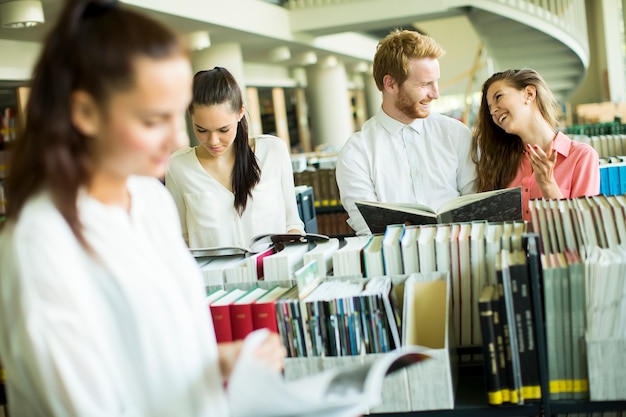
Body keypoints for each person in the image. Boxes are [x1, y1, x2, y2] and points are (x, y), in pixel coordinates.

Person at [0, 1, 284, 416]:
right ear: (85, 112)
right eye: (153, 120)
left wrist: (220, 362)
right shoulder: (40, 243)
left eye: (176, 117)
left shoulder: (149, 200)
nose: (174, 140)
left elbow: (158, 358)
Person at [335, 29, 477, 236]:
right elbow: (367, 227)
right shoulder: (356, 151)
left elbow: (475, 205)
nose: (436, 93)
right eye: (424, 84)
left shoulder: (456, 134)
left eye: (436, 81)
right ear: (390, 84)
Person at [165, 67, 304, 248]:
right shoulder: (178, 166)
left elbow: (292, 224)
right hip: (211, 276)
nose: (213, 141)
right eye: (201, 130)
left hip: (272, 272)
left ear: (240, 112)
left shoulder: (273, 152)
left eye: (223, 130)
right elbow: (180, 240)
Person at [471, 68, 600, 221]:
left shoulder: (581, 156)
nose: (493, 111)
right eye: (490, 108)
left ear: (529, 94)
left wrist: (548, 185)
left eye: (498, 97)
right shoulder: (501, 163)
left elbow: (583, 230)